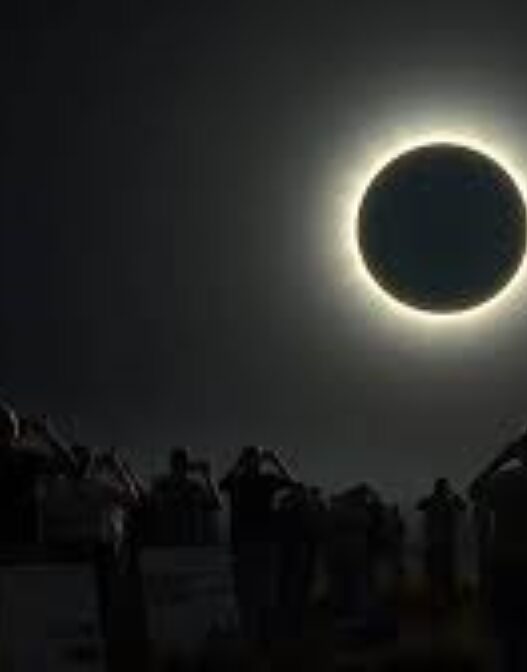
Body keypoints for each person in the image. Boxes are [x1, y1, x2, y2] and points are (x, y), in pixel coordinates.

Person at [219, 445, 294, 646]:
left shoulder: (240, 481)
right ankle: (261, 638)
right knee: (261, 594)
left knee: (251, 594)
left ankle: (255, 638)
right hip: (260, 543)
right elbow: (291, 483)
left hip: (251, 544)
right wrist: (275, 460)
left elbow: (222, 484)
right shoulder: (265, 480)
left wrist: (238, 464)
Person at [469, 431, 527, 672]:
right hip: (511, 561)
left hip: (507, 562)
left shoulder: (504, 480)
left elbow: (474, 490)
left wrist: (501, 459)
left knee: (510, 633)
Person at [0, 404, 76, 553]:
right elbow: (70, 466)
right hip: (22, 545)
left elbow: (70, 467)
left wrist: (48, 435)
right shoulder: (27, 459)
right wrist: (48, 435)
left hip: (21, 545)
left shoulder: (27, 460)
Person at [149, 446, 221, 546]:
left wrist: (208, 477)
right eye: (177, 464)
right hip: (167, 540)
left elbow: (216, 504)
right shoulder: (161, 485)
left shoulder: (193, 487)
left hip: (188, 541)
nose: (179, 468)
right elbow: (154, 503)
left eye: (182, 464)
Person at [417, 478, 466, 611]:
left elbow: (420, 506)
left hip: (439, 542)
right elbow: (462, 506)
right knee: (443, 573)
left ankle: (441, 600)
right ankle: (443, 600)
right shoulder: (444, 501)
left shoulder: (435, 501)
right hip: (441, 542)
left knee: (441, 573)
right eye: (445, 487)